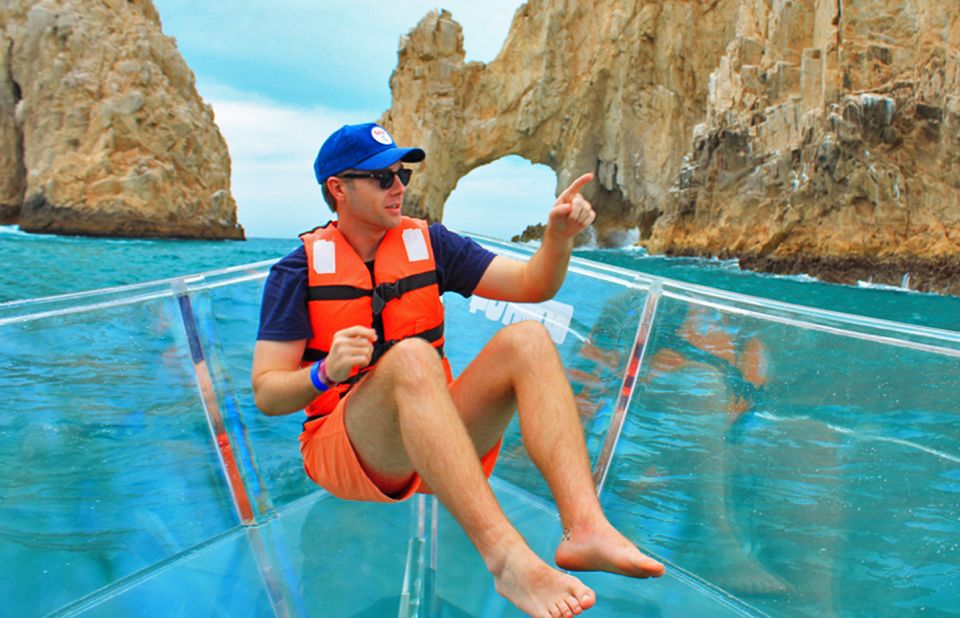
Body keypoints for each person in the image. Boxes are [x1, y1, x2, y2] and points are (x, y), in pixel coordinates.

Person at [251, 122, 665, 618]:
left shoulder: (432, 244)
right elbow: (268, 395)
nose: (399, 186)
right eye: (382, 178)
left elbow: (533, 285)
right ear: (339, 189)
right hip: (346, 453)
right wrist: (324, 373)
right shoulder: (295, 274)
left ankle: (586, 528)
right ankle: (506, 558)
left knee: (529, 338)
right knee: (410, 356)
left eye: (402, 173)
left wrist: (558, 238)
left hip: (437, 444)